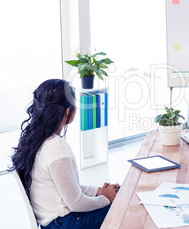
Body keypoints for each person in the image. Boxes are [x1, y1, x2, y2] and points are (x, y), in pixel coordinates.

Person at [9, 79, 120, 229]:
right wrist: (105, 198)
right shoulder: (57, 148)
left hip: (51, 223)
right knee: (122, 208)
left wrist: (99, 191)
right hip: (66, 223)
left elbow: (66, 186)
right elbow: (76, 203)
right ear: (68, 112)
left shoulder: (32, 140)